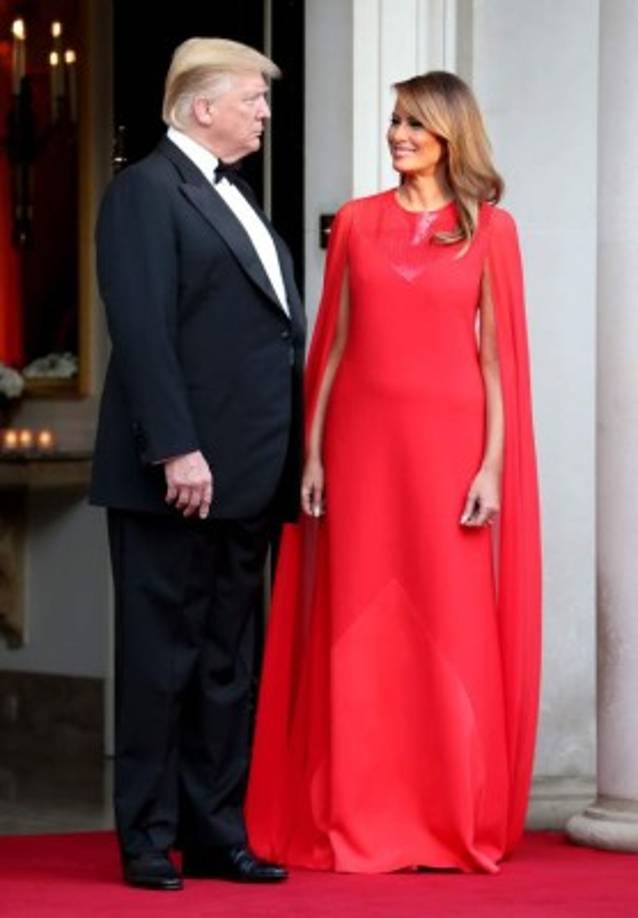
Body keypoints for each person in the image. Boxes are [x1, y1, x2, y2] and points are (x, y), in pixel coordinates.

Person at [246, 70, 541, 874]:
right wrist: (311, 452)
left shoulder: (492, 230)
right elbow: (333, 343)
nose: (398, 134)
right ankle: (357, 810)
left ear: (451, 134)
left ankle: (446, 814)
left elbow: (495, 360)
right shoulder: (356, 222)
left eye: (415, 123)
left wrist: (492, 465)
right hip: (359, 449)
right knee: (357, 621)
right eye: (395, 121)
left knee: (449, 622)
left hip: (449, 451)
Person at [90, 38, 305, 890]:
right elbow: (141, 329)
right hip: (174, 475)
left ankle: (215, 834)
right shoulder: (145, 191)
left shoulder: (237, 194)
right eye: (252, 98)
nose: (263, 112)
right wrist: (177, 446)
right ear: (200, 105)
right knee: (158, 662)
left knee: (226, 664)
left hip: (249, 475)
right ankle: (146, 837)